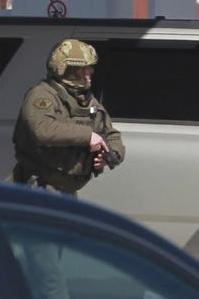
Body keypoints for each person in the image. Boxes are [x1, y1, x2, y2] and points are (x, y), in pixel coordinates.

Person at [10, 38, 125, 299]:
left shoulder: (87, 101)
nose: (90, 73)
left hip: (65, 193)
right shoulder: (42, 95)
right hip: (38, 193)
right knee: (48, 275)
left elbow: (112, 135)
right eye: (83, 68)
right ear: (67, 70)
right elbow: (43, 130)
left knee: (51, 267)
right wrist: (88, 137)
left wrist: (109, 155)